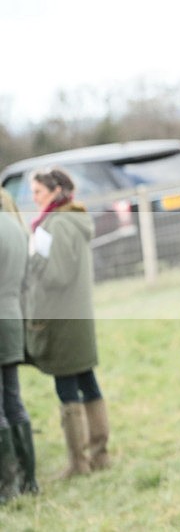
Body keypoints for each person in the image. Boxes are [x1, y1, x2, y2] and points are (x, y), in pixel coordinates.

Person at [25, 167, 110, 478]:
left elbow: (56, 275)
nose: (33, 199)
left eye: (38, 192)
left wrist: (32, 258)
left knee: (67, 387)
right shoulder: (73, 218)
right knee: (87, 382)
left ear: (56, 190)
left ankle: (79, 462)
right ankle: (99, 454)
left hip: (61, 320)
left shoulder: (56, 224)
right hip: (77, 317)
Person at [0, 189, 38, 502]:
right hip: (12, 317)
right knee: (13, 399)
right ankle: (30, 479)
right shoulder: (14, 226)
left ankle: (7, 487)